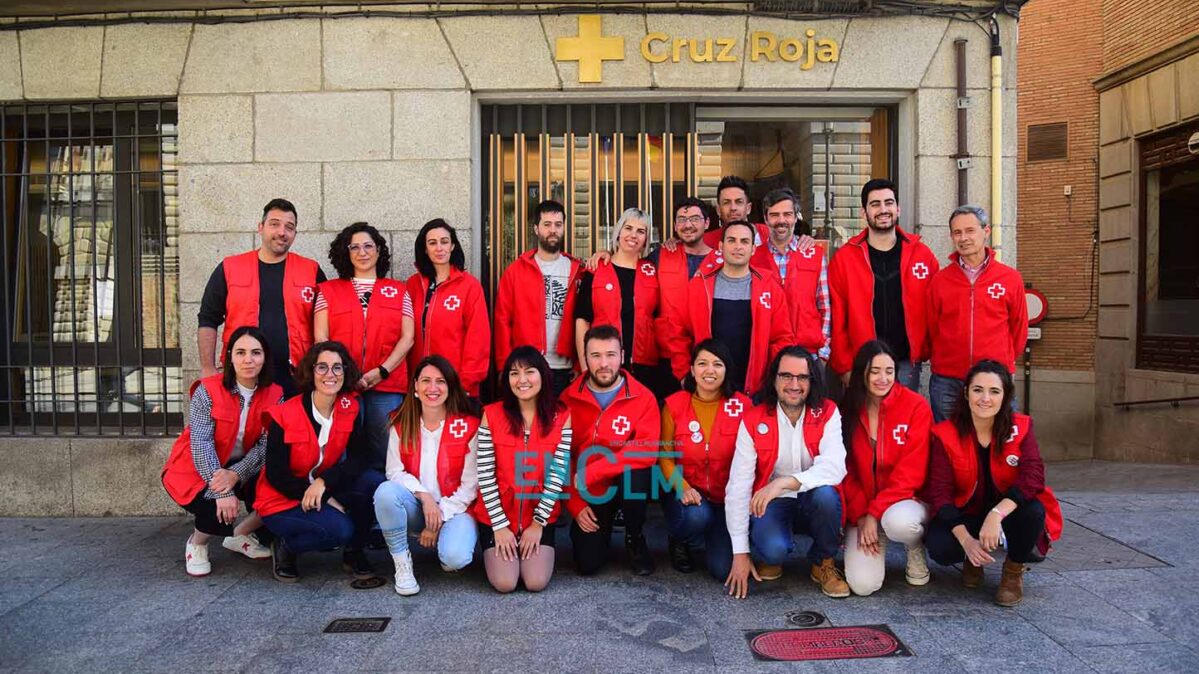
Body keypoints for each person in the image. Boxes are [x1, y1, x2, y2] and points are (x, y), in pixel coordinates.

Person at [925, 360, 1063, 606]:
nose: (985, 398)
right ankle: (972, 557)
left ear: (1006, 396)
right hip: (966, 512)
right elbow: (939, 492)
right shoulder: (944, 433)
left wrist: (997, 514)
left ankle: (1013, 570)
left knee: (1033, 511)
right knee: (940, 547)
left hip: (1007, 512)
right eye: (978, 390)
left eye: (994, 391)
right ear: (966, 393)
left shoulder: (1021, 427)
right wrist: (966, 540)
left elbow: (1033, 476)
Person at [314, 223, 414, 561]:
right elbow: (322, 340)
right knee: (341, 457)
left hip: (386, 385)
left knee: (387, 458)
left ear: (379, 250)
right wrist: (346, 375)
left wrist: (380, 371)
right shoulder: (328, 291)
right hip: (341, 387)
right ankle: (348, 527)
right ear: (346, 252)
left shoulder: (398, 290)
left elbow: (407, 337)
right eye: (354, 247)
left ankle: (382, 524)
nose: (362, 252)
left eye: (368, 245)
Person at [723, 346, 849, 599]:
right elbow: (738, 486)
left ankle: (823, 562)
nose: (794, 384)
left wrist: (783, 483)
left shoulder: (827, 411)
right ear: (774, 379)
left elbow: (835, 467)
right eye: (786, 376)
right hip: (774, 502)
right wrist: (740, 553)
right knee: (772, 550)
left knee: (825, 496)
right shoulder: (753, 419)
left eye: (802, 377)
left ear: (812, 381)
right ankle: (775, 555)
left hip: (811, 499)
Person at [162, 326, 282, 576]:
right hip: (196, 468)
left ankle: (238, 536)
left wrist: (236, 474)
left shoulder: (275, 394)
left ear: (265, 357)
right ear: (229, 357)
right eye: (240, 352)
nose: (248, 359)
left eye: (255, 353)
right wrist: (222, 486)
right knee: (214, 506)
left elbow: (265, 445)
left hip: (243, 466)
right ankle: (197, 543)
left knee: (280, 490)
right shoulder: (208, 390)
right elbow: (201, 443)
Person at [255, 341, 371, 583]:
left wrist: (324, 482)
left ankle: (354, 553)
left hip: (321, 486)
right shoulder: (285, 413)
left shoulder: (349, 407)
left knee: (372, 483)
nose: (330, 374)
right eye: (322, 368)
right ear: (311, 371)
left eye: (337, 368)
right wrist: (325, 496)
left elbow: (360, 458)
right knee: (340, 529)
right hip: (282, 499)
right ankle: (286, 546)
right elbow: (277, 474)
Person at [197, 198, 326, 398]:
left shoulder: (311, 270)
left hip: (297, 377)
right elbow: (208, 318)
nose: (282, 232)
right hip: (243, 375)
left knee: (293, 429)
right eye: (274, 224)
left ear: (295, 234)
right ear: (261, 227)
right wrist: (207, 367)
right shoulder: (230, 268)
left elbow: (326, 324)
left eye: (289, 227)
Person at [373, 355, 480, 596]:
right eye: (426, 381)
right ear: (415, 388)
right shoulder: (400, 423)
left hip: (457, 509)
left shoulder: (469, 426)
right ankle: (402, 564)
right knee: (385, 493)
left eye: (440, 381)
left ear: (450, 387)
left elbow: (471, 485)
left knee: (455, 558)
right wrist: (425, 497)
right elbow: (394, 471)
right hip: (417, 507)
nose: (433, 388)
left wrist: (439, 515)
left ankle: (445, 541)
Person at [562, 324, 661, 576]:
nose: (604, 363)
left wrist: (594, 471)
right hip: (590, 490)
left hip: (624, 482)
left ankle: (634, 536)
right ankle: (601, 530)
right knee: (587, 564)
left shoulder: (643, 397)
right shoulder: (567, 399)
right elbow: (558, 455)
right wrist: (575, 503)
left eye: (610, 355)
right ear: (585, 358)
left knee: (637, 474)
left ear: (623, 355)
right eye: (595, 356)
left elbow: (647, 450)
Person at [474, 346, 572, 593]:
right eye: (514, 374)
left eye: (530, 372)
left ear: (543, 375)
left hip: (538, 514)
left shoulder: (561, 416)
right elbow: (485, 473)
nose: (522, 380)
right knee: (505, 583)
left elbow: (557, 475)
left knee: (535, 582)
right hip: (498, 515)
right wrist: (499, 526)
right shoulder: (491, 414)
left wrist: (538, 524)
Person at [839, 341, 933, 596]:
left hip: (903, 501)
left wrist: (874, 513)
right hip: (864, 507)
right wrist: (861, 514)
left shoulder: (916, 406)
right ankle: (874, 534)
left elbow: (911, 472)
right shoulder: (847, 409)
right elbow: (843, 469)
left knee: (900, 523)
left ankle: (914, 547)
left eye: (889, 371)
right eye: (875, 371)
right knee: (863, 585)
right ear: (862, 373)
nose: (883, 378)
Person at [828, 179, 938, 390]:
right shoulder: (845, 258)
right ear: (864, 212)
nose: (883, 209)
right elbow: (837, 316)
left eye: (889, 203)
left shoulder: (922, 255)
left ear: (898, 208)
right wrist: (843, 366)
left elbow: (936, 308)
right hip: (863, 363)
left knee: (903, 421)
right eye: (875, 204)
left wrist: (926, 349)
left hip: (907, 363)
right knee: (865, 422)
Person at [927, 205, 1029, 422]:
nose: (963, 238)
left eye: (970, 230)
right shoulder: (940, 281)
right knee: (949, 443)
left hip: (995, 380)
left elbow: (1019, 329)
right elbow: (932, 327)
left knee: (1000, 442)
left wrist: (1002, 359)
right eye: (957, 232)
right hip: (949, 380)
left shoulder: (1009, 279)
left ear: (986, 231)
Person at [658, 339, 750, 578]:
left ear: (726, 369)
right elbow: (665, 457)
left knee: (722, 570)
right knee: (698, 516)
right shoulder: (674, 405)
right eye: (702, 363)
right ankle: (680, 539)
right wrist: (683, 487)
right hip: (690, 496)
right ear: (692, 370)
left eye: (717, 364)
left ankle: (715, 537)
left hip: (727, 499)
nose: (710, 371)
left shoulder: (743, 406)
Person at [669, 220, 794, 396]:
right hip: (708, 387)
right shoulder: (699, 286)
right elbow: (678, 332)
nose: (738, 246)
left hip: (755, 389)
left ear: (753, 248)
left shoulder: (769, 287)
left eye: (744, 241)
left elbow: (782, 338)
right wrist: (683, 373)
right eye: (731, 240)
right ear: (721, 246)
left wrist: (774, 378)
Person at [574, 207, 672, 400]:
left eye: (641, 231)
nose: (633, 235)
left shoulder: (654, 271)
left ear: (646, 239)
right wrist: (586, 368)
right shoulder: (596, 269)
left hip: (645, 368)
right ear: (618, 232)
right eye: (628, 228)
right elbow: (582, 321)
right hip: (603, 365)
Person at [493, 200, 582, 395]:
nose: (553, 230)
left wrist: (578, 365)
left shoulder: (577, 270)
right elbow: (502, 320)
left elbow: (584, 321)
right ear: (536, 228)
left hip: (565, 370)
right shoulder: (516, 271)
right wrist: (504, 365)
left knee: (560, 424)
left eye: (558, 225)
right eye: (547, 224)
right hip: (526, 366)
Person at [405, 219, 491, 398]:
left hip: (455, 385)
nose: (439, 248)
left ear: (452, 246)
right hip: (419, 385)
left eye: (444, 242)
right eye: (432, 243)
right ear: (424, 248)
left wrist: (466, 383)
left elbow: (478, 338)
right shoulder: (413, 285)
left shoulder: (469, 286)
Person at [754, 188, 830, 361]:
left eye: (787, 214)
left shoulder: (815, 255)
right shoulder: (753, 258)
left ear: (796, 217)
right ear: (766, 219)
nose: (781, 220)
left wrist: (823, 351)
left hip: (808, 353)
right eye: (774, 215)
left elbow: (824, 306)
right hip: (767, 355)